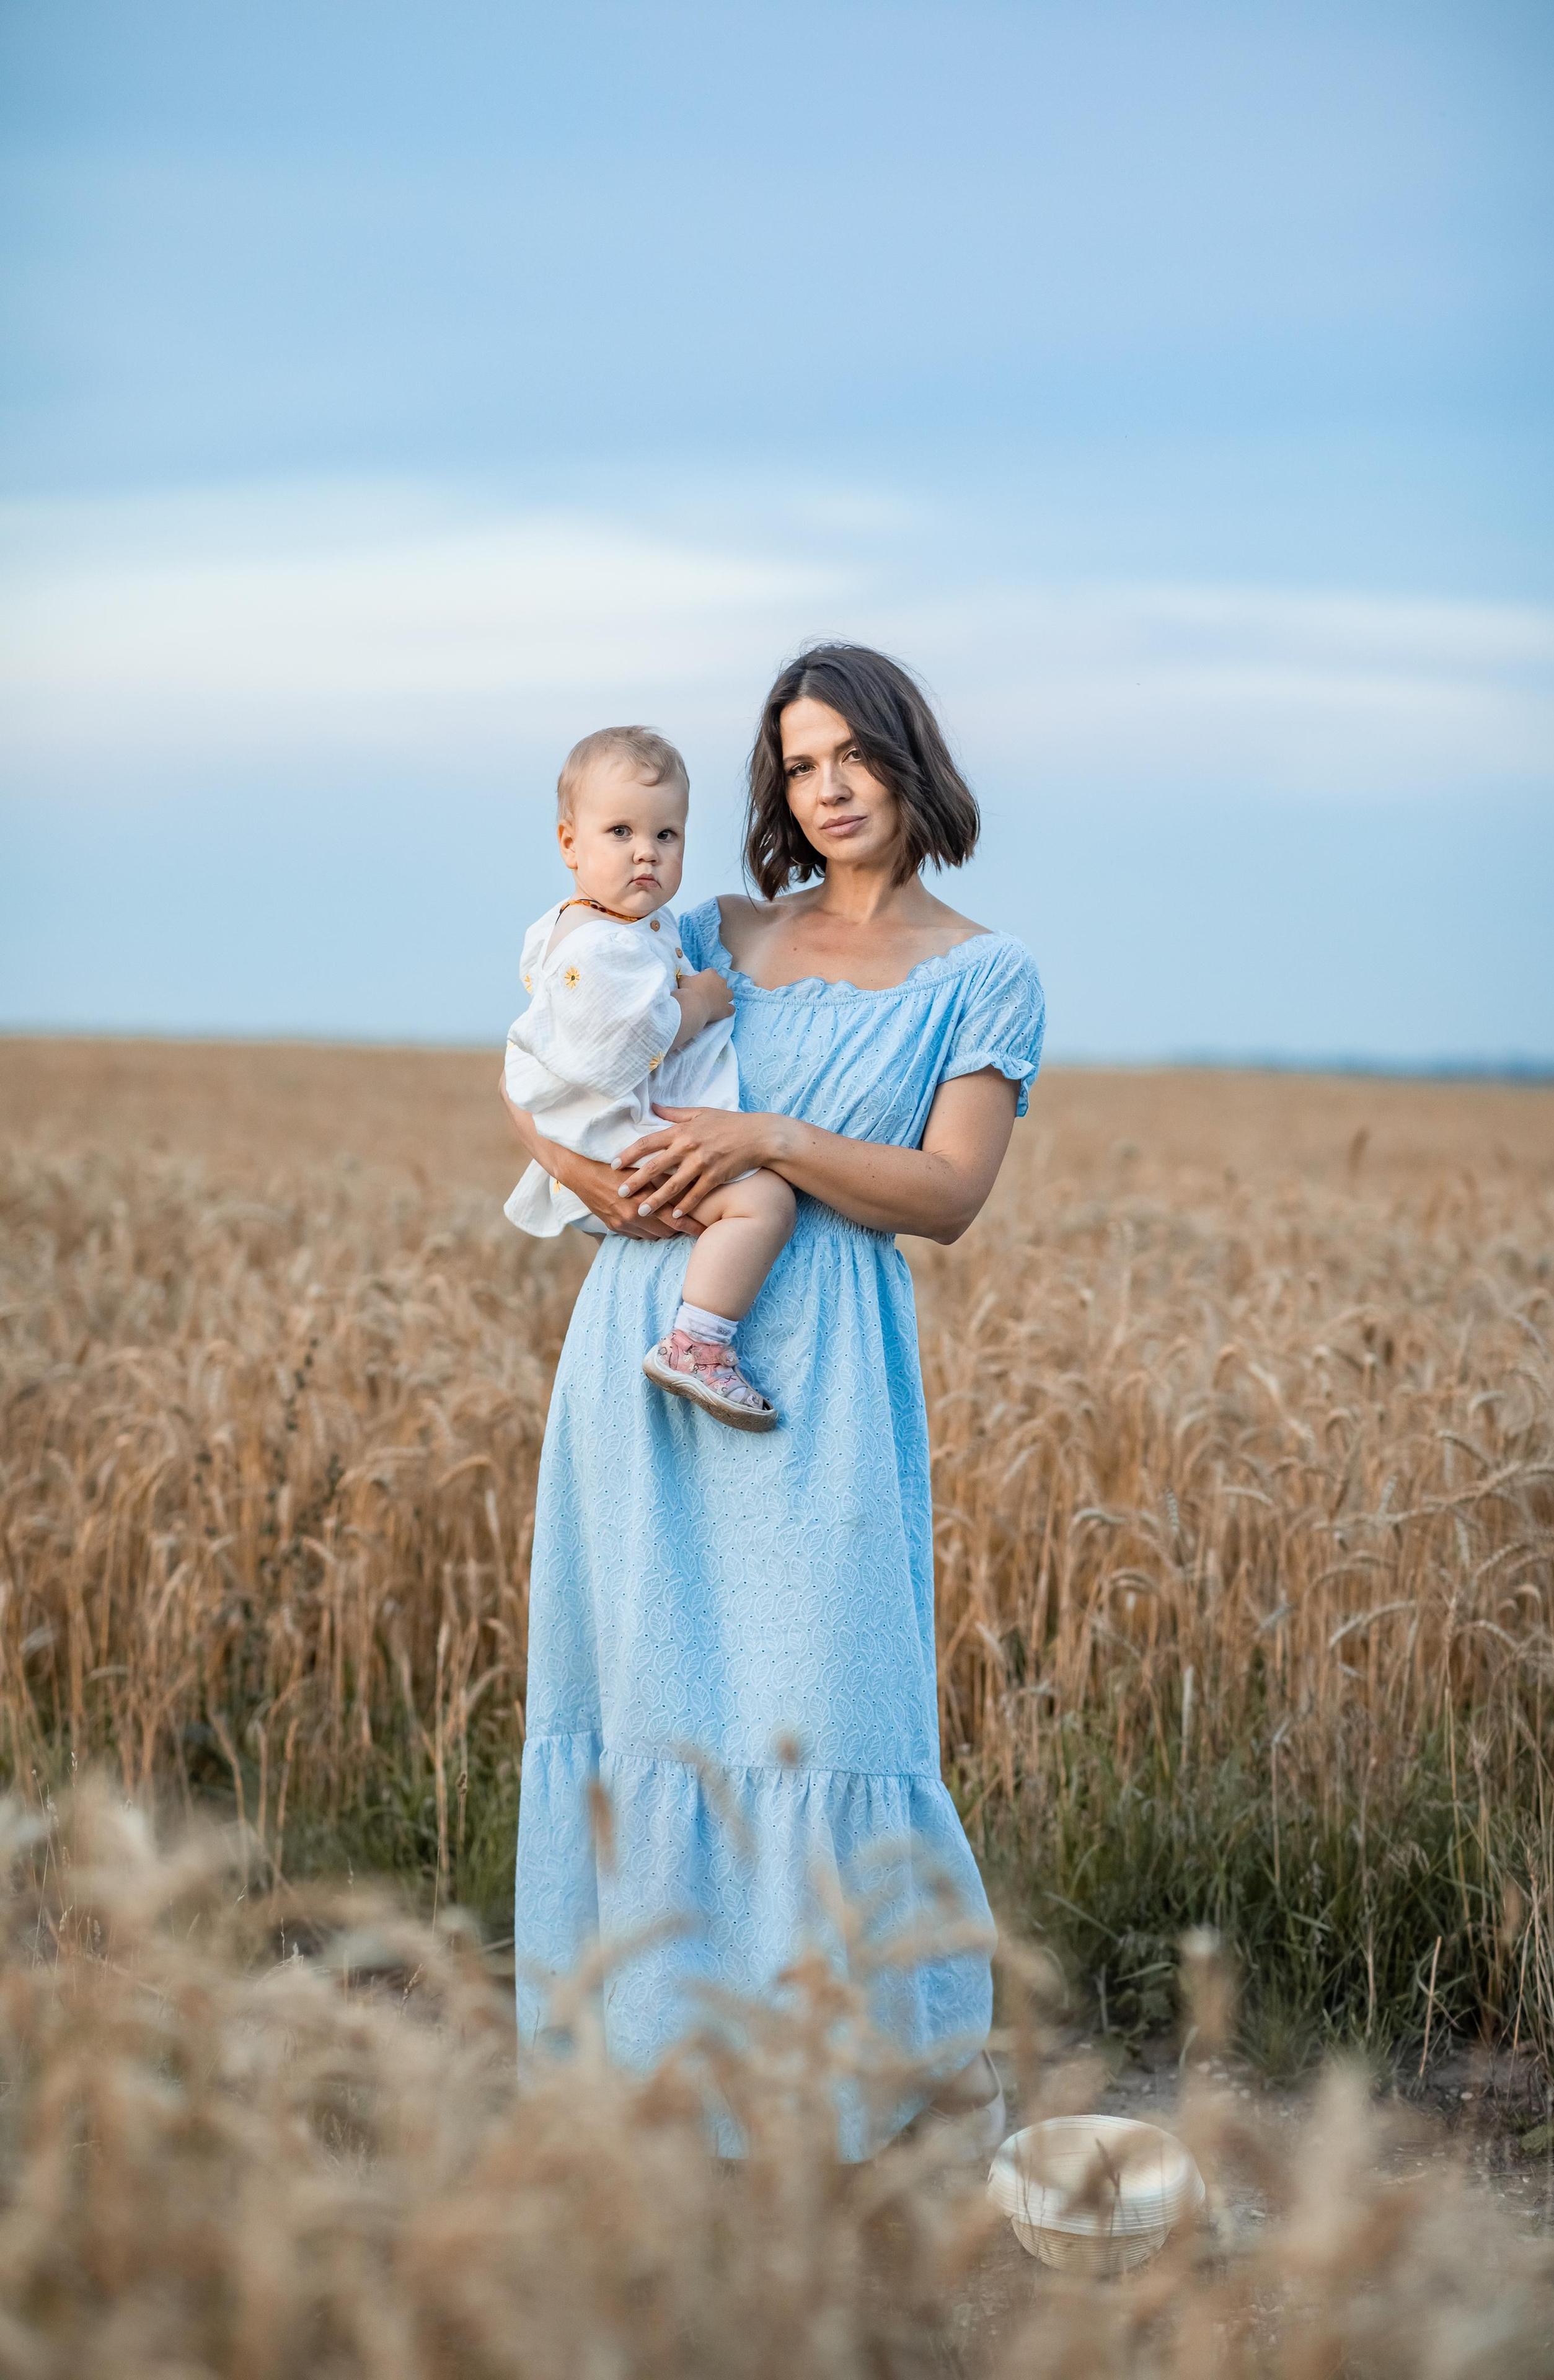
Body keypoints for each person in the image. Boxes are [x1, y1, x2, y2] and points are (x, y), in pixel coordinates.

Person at [500, 643, 1045, 2156]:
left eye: (850, 755)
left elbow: (943, 1194)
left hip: (822, 1376)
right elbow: (541, 1062)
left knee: (824, 1707)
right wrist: (588, 1174)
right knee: (651, 1713)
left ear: (906, 760)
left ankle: (855, 2101)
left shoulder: (983, 972)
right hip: (646, 1336)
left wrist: (768, 1135)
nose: (827, 788)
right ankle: (654, 2091)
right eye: (799, 764)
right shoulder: (710, 921)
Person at [503, 724, 794, 1430]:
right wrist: (697, 1001)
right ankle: (699, 1342)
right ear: (569, 844)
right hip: (622, 1139)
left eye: (667, 836)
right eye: (620, 832)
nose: (646, 853)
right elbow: (623, 1041)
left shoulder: (605, 927)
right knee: (765, 1201)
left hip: (606, 1134)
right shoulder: (601, 943)